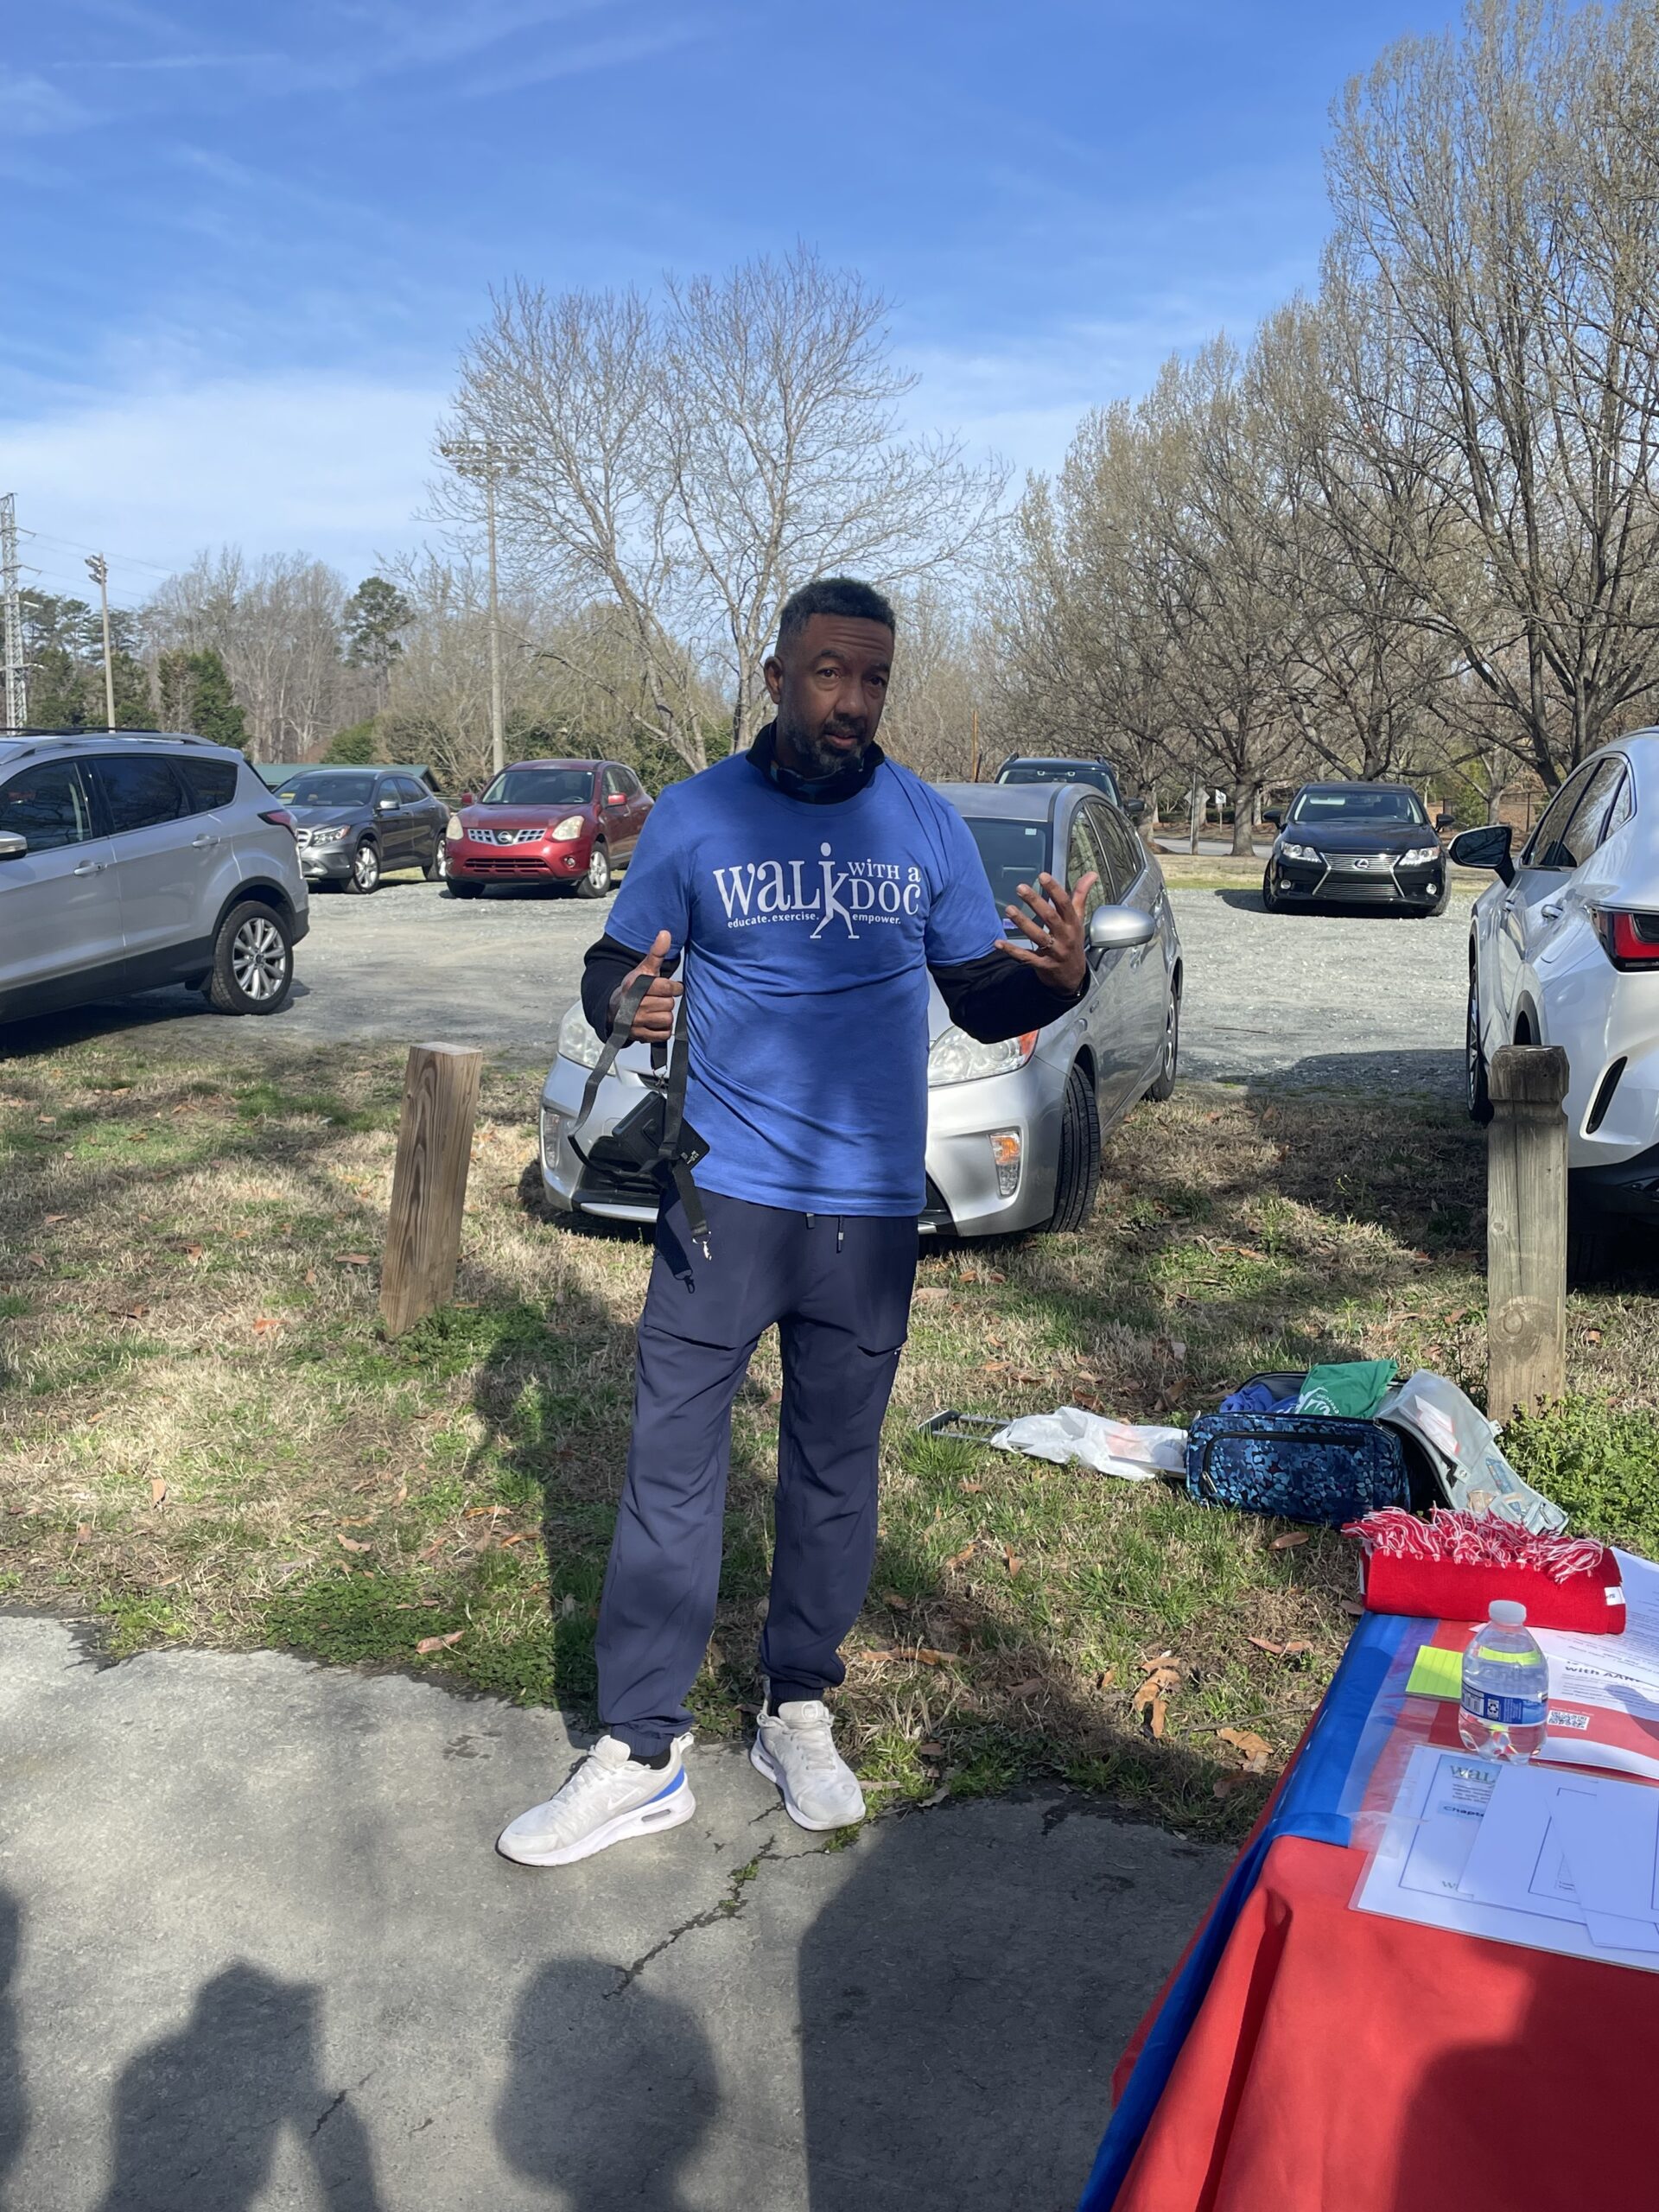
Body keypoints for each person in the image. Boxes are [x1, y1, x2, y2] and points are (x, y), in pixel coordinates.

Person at [499, 577, 1095, 1866]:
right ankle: (641, 1751)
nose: (853, 701)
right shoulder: (698, 814)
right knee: (671, 1463)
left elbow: (978, 995)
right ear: (776, 677)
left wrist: (1057, 978)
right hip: (723, 1198)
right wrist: (628, 1004)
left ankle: (797, 1705)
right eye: (829, 673)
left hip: (867, 1208)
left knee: (835, 1466)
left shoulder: (924, 823)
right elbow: (612, 966)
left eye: (873, 678)